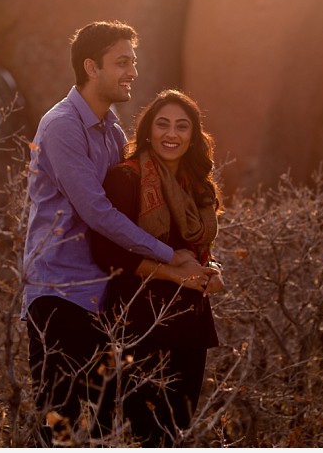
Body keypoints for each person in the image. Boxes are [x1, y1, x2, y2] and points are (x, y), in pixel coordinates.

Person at [21, 22, 214, 445]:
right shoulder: (62, 126)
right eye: (122, 62)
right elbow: (98, 213)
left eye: (134, 62)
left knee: (102, 429)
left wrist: (192, 259)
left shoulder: (112, 131)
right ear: (91, 67)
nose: (133, 72)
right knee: (62, 426)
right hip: (60, 293)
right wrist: (170, 258)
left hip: (104, 299)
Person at [89, 89, 225, 446]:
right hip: (141, 321)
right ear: (148, 131)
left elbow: (194, 251)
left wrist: (211, 270)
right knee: (147, 432)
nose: (172, 134)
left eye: (182, 126)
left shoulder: (197, 185)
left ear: (193, 136)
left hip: (191, 321)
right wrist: (173, 273)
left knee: (178, 431)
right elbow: (106, 252)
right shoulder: (126, 178)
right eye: (162, 124)